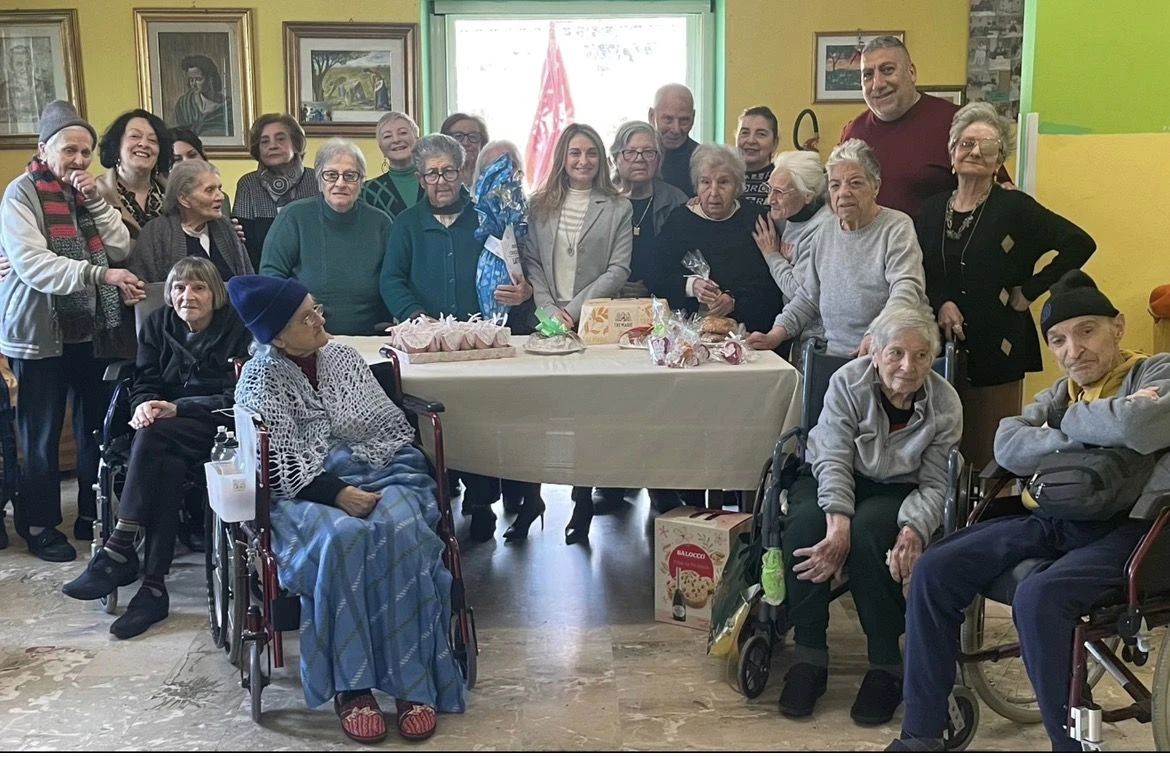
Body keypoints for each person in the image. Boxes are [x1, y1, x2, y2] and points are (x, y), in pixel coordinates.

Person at [888, 271, 1170, 753]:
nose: (1073, 351)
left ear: (1118, 327)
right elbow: (1008, 443)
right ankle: (922, 734)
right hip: (1056, 519)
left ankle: (1067, 746)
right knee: (936, 566)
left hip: (1136, 532)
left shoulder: (1155, 372)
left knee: (1039, 597)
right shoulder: (1061, 394)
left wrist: (1060, 428)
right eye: (1058, 340)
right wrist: (1094, 428)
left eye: (1087, 331)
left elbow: (1139, 426)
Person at [227, 274, 466, 743]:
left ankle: (413, 681)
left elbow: (386, 427)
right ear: (278, 337)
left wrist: (360, 477)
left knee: (403, 532)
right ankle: (352, 688)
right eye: (305, 318)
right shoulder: (259, 379)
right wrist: (337, 493)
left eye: (316, 309)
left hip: (385, 467)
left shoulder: (343, 357)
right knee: (344, 539)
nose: (319, 320)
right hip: (304, 491)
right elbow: (275, 465)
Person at [778, 306, 961, 724]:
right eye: (896, 353)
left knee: (872, 534)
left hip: (898, 487)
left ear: (932, 359)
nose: (908, 366)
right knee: (806, 526)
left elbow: (937, 482)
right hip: (834, 475)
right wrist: (837, 522)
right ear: (874, 353)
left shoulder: (945, 402)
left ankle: (885, 663)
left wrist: (914, 529)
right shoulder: (847, 382)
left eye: (920, 356)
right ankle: (809, 653)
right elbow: (832, 457)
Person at [60, 257, 251, 637]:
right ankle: (152, 588)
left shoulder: (237, 329)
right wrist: (144, 405)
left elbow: (238, 395)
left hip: (216, 423)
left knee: (154, 437)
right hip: (165, 428)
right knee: (166, 463)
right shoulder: (157, 324)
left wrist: (179, 408)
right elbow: (145, 380)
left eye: (198, 288)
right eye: (179, 287)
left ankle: (120, 547)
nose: (187, 296)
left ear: (215, 294)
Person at [0, 101, 143, 560]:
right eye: (69, 150)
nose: (80, 160)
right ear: (44, 149)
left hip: (92, 329)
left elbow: (120, 246)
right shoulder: (21, 194)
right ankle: (40, 524)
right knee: (40, 436)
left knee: (94, 430)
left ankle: (90, 513)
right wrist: (99, 275)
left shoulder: (88, 195)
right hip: (39, 332)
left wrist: (98, 202)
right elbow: (33, 265)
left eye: (86, 152)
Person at [918, 102, 1095, 471]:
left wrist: (1031, 290)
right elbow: (922, 267)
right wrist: (942, 301)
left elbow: (1080, 243)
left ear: (999, 159)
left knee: (991, 447)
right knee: (939, 444)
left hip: (998, 341)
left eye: (987, 146)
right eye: (966, 143)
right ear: (952, 154)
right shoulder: (931, 210)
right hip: (937, 342)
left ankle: (991, 506)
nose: (975, 152)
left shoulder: (1015, 207)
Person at [381, 134, 539, 543]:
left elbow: (516, 271)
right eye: (432, 173)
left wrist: (521, 292)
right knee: (435, 426)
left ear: (462, 173)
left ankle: (482, 502)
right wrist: (418, 319)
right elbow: (391, 280)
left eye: (449, 171)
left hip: (479, 346)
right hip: (429, 348)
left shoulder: (486, 217)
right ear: (420, 178)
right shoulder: (406, 224)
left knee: (480, 424)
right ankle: (439, 502)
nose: (441, 181)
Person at [521, 123, 632, 544]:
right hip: (545, 319)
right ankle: (531, 499)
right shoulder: (539, 205)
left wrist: (573, 310)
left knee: (585, 416)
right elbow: (532, 262)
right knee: (538, 415)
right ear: (562, 159)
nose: (583, 161)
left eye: (590, 153)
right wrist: (549, 310)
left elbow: (618, 269)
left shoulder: (618, 207)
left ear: (601, 159)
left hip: (593, 323)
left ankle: (582, 500)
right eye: (574, 153)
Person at [746, 139, 928, 358]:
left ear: (876, 186)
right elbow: (808, 296)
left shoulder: (896, 227)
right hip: (834, 356)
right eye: (835, 185)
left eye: (855, 183)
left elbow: (906, 290)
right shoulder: (826, 231)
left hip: (887, 355)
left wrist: (876, 334)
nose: (843, 192)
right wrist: (775, 334)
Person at [839, 36, 1008, 218]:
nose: (877, 84)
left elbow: (1000, 193)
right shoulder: (853, 133)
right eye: (867, 75)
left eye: (888, 70)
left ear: (911, 73)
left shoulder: (958, 124)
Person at [260, 138, 391, 336]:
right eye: (331, 175)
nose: (340, 183)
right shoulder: (293, 217)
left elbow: (393, 279)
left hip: (369, 337)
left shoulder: (380, 223)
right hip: (307, 337)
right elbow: (271, 277)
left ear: (362, 181)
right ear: (319, 180)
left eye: (350, 175)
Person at [650, 143, 782, 335]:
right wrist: (691, 286)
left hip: (747, 332)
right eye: (705, 182)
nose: (713, 192)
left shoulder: (755, 219)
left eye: (723, 183)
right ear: (696, 186)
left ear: (737, 186)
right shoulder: (679, 221)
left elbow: (770, 284)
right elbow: (657, 277)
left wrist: (734, 300)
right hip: (688, 332)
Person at [751, 150, 834, 361]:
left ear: (807, 195)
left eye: (779, 192)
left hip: (821, 341)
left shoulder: (823, 229)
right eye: (769, 189)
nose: (770, 199)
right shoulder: (788, 214)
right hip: (795, 331)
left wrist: (771, 255)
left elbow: (799, 291)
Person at [130, 159, 252, 283]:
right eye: (210, 190)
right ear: (184, 199)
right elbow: (143, 286)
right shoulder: (156, 232)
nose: (220, 196)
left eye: (219, 188)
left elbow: (248, 281)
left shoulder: (226, 228)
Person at [609, 120, 688, 299]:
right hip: (609, 301)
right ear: (615, 158)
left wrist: (654, 287)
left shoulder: (677, 201)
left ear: (659, 159)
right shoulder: (601, 202)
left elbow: (687, 263)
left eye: (649, 152)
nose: (640, 159)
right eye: (630, 152)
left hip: (664, 302)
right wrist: (614, 286)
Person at [233, 114, 320, 269]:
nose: (272, 146)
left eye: (280, 139)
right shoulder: (248, 184)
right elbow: (244, 247)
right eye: (264, 141)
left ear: (296, 143)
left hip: (314, 272)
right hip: (262, 274)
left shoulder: (317, 180)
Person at [95, 109, 173, 239]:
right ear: (117, 145)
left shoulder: (173, 193)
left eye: (153, 140)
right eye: (135, 136)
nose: (144, 144)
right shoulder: (96, 192)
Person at [360, 111, 423, 221]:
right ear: (381, 148)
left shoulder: (436, 181)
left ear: (417, 139)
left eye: (403, 133)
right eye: (387, 136)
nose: (396, 140)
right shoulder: (368, 191)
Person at [170, 127, 233, 216]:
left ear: (203, 156)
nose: (187, 162)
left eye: (192, 155)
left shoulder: (220, 199)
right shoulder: (160, 200)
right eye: (177, 159)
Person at [648, 83, 698, 197]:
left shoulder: (705, 161)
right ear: (651, 116)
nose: (676, 129)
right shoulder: (634, 159)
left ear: (693, 118)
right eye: (668, 119)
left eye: (684, 121)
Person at [172, 55, 231, 138]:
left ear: (210, 79)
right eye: (191, 80)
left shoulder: (228, 107)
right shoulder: (184, 103)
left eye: (198, 79)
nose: (193, 84)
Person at [736, 106, 781, 208]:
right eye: (745, 133)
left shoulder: (783, 181)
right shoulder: (724, 177)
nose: (751, 141)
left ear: (775, 143)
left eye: (761, 134)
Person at [440, 112, 489, 188]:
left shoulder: (491, 177)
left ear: (482, 143)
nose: (466, 143)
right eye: (458, 136)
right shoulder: (436, 179)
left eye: (473, 136)